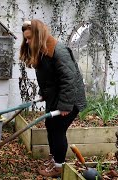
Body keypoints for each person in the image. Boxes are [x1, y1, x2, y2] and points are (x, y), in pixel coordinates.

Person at [19, 19, 87, 177]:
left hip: (70, 99)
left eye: (29, 38)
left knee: (57, 131)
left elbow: (68, 79)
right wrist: (44, 93)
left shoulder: (58, 50)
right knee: (50, 125)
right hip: (57, 97)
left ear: (39, 35)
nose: (27, 42)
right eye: (26, 39)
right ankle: (54, 158)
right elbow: (49, 77)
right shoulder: (42, 51)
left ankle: (59, 167)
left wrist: (65, 105)